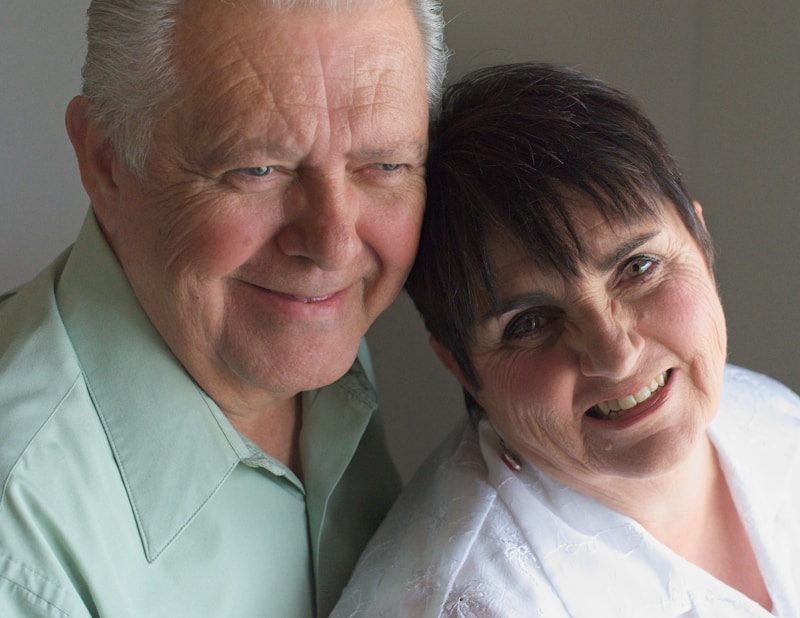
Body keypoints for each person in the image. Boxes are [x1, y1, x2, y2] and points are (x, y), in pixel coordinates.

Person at [0, 0, 447, 616]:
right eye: (258, 169)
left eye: (385, 165)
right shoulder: (21, 549)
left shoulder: (291, 321)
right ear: (107, 162)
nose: (334, 246)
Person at [332, 63, 800, 617]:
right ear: (459, 366)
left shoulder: (768, 413)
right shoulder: (477, 601)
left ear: (700, 241)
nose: (615, 354)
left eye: (639, 267)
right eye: (530, 323)